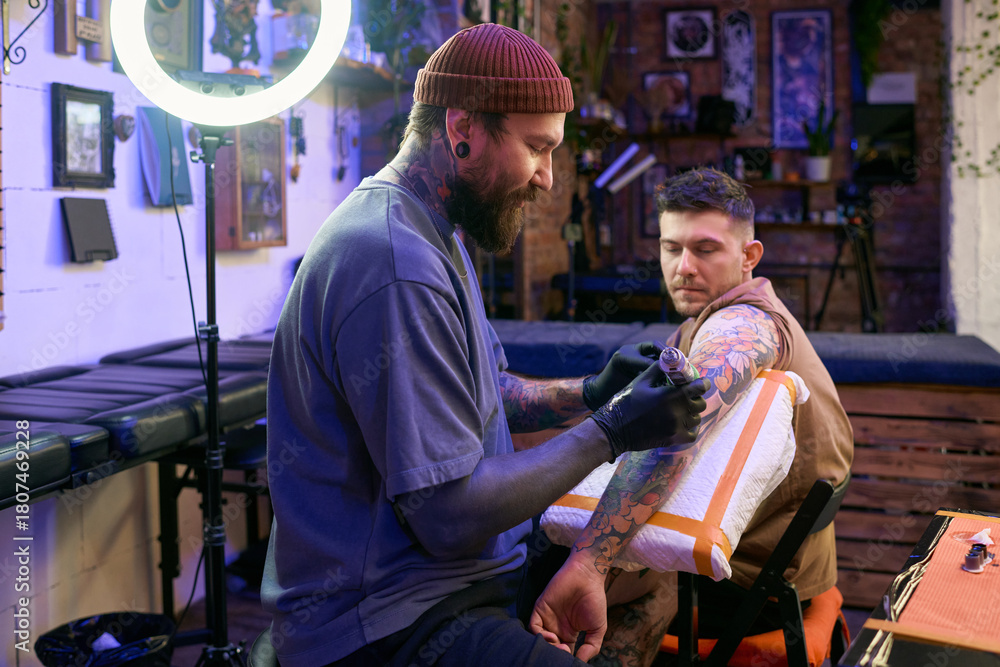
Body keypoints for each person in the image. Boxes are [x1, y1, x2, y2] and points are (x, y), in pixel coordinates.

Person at [261, 23, 708, 667]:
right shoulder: (394, 259)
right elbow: (448, 519)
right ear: (462, 128)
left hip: (452, 585)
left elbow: (489, 392)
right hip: (386, 621)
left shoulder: (435, 231)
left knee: (648, 582)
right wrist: (611, 430)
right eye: (536, 147)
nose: (549, 179)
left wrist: (592, 391)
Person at [531, 168, 854, 667]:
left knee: (535, 568)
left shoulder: (745, 323)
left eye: (705, 250)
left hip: (748, 589)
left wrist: (590, 561)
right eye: (670, 247)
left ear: (749, 257)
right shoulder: (699, 326)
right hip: (765, 572)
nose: (683, 267)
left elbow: (675, 425)